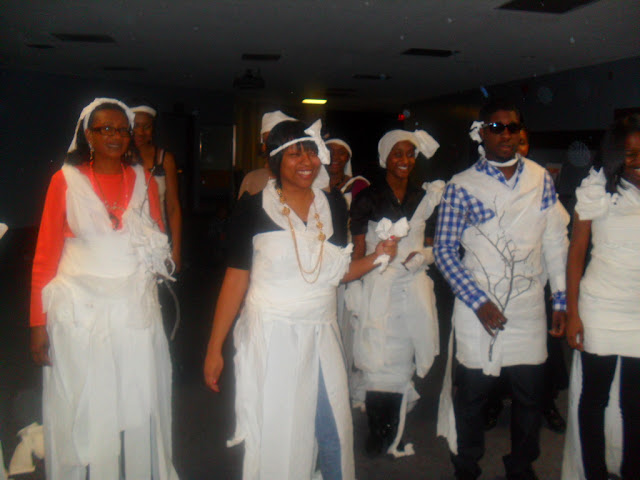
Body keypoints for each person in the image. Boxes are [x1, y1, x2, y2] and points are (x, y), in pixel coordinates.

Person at [203, 119, 397, 480]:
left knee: (333, 426)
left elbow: (336, 272)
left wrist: (377, 256)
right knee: (281, 431)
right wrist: (215, 348)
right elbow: (236, 278)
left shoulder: (333, 204)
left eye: (311, 151)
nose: (307, 161)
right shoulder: (252, 208)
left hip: (321, 331)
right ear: (275, 160)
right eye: (295, 154)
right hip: (272, 335)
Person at [30, 98, 179, 479]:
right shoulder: (66, 181)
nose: (116, 136)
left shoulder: (144, 180)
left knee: (136, 401)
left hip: (133, 309)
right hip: (81, 312)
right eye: (105, 129)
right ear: (88, 135)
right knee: (87, 404)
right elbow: (45, 256)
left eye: (122, 129)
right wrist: (38, 322)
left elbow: (157, 239)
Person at [434, 99, 569, 480]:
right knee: (472, 396)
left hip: (527, 306)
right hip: (477, 306)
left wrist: (560, 299)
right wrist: (478, 302)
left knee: (530, 397)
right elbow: (444, 250)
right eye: (496, 127)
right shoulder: (462, 186)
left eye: (512, 127)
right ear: (481, 132)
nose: (505, 134)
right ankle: (466, 466)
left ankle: (521, 466)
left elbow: (554, 241)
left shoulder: (541, 178)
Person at [349, 129, 442, 457]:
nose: (405, 160)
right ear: (385, 158)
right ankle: (378, 429)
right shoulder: (367, 198)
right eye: (398, 154)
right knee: (378, 357)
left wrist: (423, 257)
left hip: (413, 288)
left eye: (410, 154)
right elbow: (358, 251)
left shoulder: (425, 197)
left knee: (403, 359)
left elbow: (432, 246)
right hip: (379, 284)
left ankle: (394, 427)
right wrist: (356, 286)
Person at [562, 114, 640, 480]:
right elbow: (576, 252)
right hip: (601, 307)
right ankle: (594, 473)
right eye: (630, 153)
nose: (638, 161)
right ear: (614, 156)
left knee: (635, 404)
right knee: (595, 398)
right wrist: (572, 313)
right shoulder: (596, 188)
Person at [484, 127, 568, 434]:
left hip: (537, 280)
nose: (515, 145)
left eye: (521, 141)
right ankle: (493, 401)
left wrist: (559, 293)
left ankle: (546, 401)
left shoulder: (540, 180)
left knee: (542, 351)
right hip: (499, 282)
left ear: (527, 146)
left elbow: (557, 234)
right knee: (496, 342)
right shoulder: (487, 183)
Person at [131, 103, 183, 272]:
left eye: (146, 127)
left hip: (157, 239)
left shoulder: (164, 159)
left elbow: (173, 207)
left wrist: (176, 251)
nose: (140, 132)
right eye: (136, 126)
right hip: (126, 241)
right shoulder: (119, 158)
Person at [237, 110, 296, 198]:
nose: (266, 147)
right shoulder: (253, 179)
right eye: (265, 142)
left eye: (273, 141)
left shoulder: (304, 178)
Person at [325, 138, 370, 208]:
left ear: (348, 157)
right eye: (330, 151)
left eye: (341, 152)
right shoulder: (311, 185)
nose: (335, 156)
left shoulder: (359, 185)